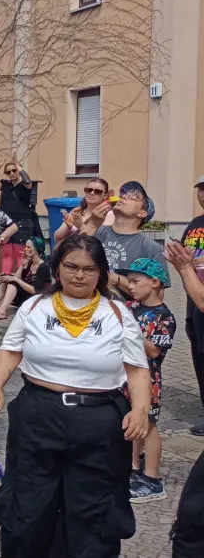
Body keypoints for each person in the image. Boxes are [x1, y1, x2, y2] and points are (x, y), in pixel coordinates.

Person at [0, 234, 150, 552]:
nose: (79, 275)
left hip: (99, 422)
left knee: (94, 510)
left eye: (89, 269)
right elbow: (10, 351)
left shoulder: (117, 313)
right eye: (71, 266)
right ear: (57, 268)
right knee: (28, 504)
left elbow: (137, 369)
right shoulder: (33, 306)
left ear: (100, 272)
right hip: (38, 415)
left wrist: (139, 410)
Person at [113, 258, 175, 503]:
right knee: (132, 422)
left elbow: (153, 351)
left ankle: (152, 479)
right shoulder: (130, 307)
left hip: (149, 378)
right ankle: (133, 469)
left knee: (148, 425)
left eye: (136, 281)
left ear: (155, 282)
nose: (131, 286)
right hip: (125, 375)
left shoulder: (165, 317)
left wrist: (130, 330)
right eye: (129, 281)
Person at [81, 180, 166, 299]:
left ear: (142, 213)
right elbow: (76, 254)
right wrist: (93, 224)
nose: (124, 197)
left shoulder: (151, 248)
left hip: (126, 313)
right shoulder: (99, 231)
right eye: (123, 195)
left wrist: (117, 280)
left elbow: (158, 296)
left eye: (134, 198)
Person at [178, 176, 204, 436]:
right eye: (201, 189)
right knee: (199, 354)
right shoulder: (195, 224)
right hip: (192, 300)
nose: (203, 194)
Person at [0, 160, 33, 274]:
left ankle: (19, 280)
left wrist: (18, 166)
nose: (12, 173)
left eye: (14, 170)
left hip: (22, 222)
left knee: (19, 253)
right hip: (6, 223)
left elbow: (27, 180)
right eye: (8, 172)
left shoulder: (24, 185)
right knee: (6, 253)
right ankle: (5, 278)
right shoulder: (5, 185)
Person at [0, 237, 51, 320]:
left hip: (36, 298)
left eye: (28, 247)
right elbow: (18, 277)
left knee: (13, 282)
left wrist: (15, 280)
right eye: (25, 246)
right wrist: (22, 265)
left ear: (36, 250)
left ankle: (1, 312)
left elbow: (35, 290)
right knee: (6, 280)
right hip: (25, 296)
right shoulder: (30, 263)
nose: (25, 249)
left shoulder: (43, 267)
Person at [54, 177, 114, 242]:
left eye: (98, 191)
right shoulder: (76, 212)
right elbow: (57, 238)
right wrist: (68, 228)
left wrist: (81, 227)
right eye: (89, 190)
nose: (92, 193)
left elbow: (103, 240)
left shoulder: (109, 215)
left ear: (105, 196)